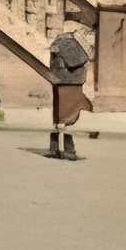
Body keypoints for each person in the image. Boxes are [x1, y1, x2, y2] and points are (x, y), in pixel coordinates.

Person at [46, 23, 93, 162]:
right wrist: (86, 55)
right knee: (67, 117)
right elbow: (73, 61)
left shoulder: (59, 40)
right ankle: (67, 150)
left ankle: (55, 148)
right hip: (70, 81)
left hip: (63, 80)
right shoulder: (68, 42)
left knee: (61, 117)